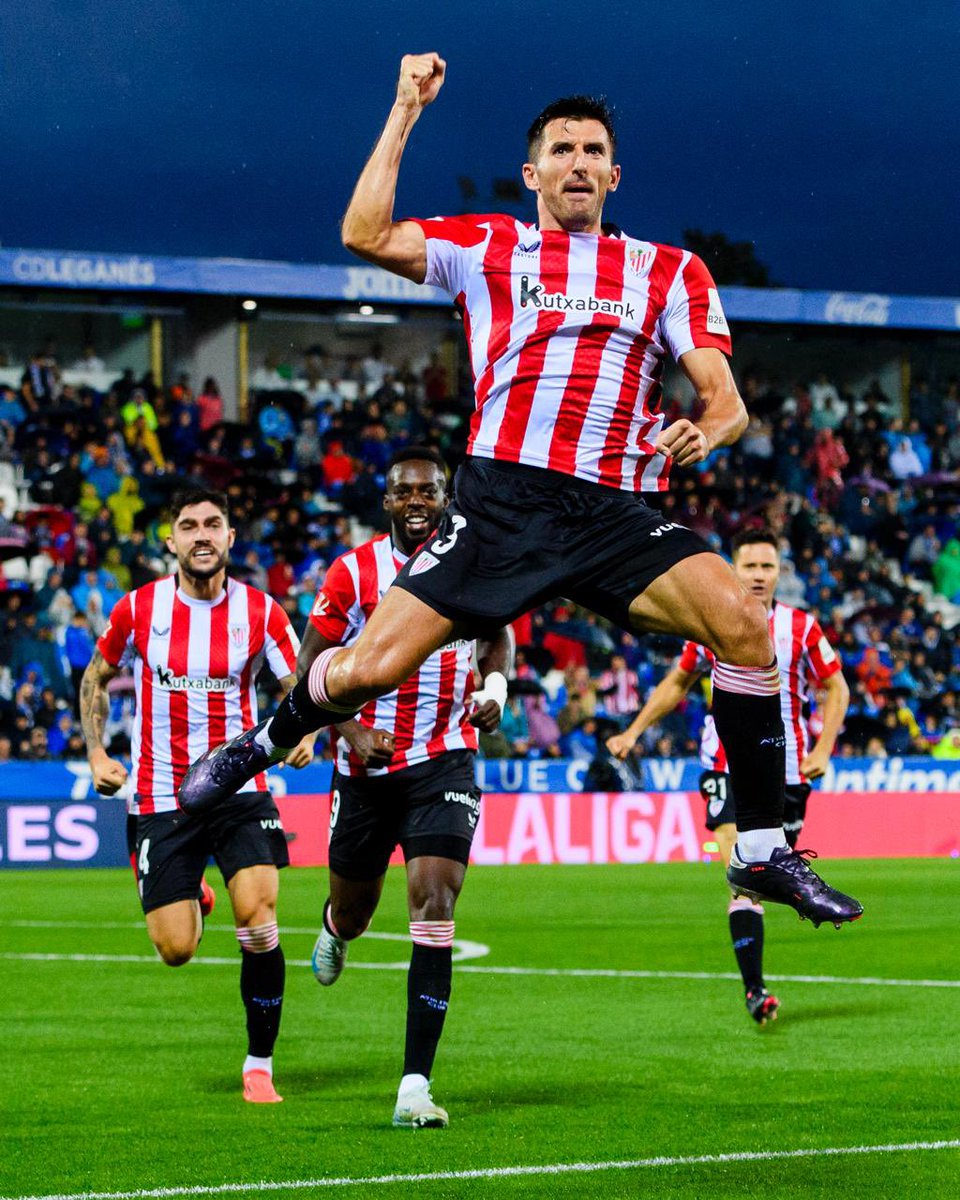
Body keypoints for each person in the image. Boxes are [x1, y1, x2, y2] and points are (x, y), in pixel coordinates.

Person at [180, 54, 862, 929]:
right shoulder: (490, 247)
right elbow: (363, 233)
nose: (578, 162)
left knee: (745, 625)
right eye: (561, 150)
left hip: (611, 513)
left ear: (615, 175)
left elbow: (724, 399)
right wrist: (404, 109)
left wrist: (708, 428)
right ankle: (267, 739)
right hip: (501, 505)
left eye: (593, 151)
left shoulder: (669, 271)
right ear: (532, 172)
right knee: (366, 669)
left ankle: (762, 848)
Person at [80, 487, 315, 1104]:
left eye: (213, 524)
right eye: (189, 525)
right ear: (171, 541)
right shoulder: (139, 609)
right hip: (161, 797)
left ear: (230, 537)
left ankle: (259, 1064)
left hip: (240, 786)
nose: (202, 535)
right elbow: (97, 676)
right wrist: (97, 753)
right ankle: (197, 896)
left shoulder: (262, 612)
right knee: (176, 949)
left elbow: (299, 686)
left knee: (259, 918)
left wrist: (305, 732)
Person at [304, 447, 510, 1128]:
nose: (418, 501)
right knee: (355, 912)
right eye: (405, 492)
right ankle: (335, 929)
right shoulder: (353, 573)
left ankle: (414, 1087)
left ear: (446, 499)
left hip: (445, 759)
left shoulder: (473, 563)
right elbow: (310, 667)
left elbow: (496, 635)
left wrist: (494, 687)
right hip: (365, 771)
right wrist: (350, 731)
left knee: (435, 904)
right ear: (387, 501)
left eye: (430, 491)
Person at [607, 529, 851, 1020]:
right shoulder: (714, 620)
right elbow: (678, 680)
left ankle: (757, 966)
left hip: (787, 768)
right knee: (741, 870)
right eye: (749, 566)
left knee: (764, 874)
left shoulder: (802, 628)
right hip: (724, 760)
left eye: (766, 566)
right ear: (733, 569)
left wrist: (824, 747)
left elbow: (836, 687)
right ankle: (755, 990)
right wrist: (634, 731)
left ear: (779, 572)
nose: (758, 576)